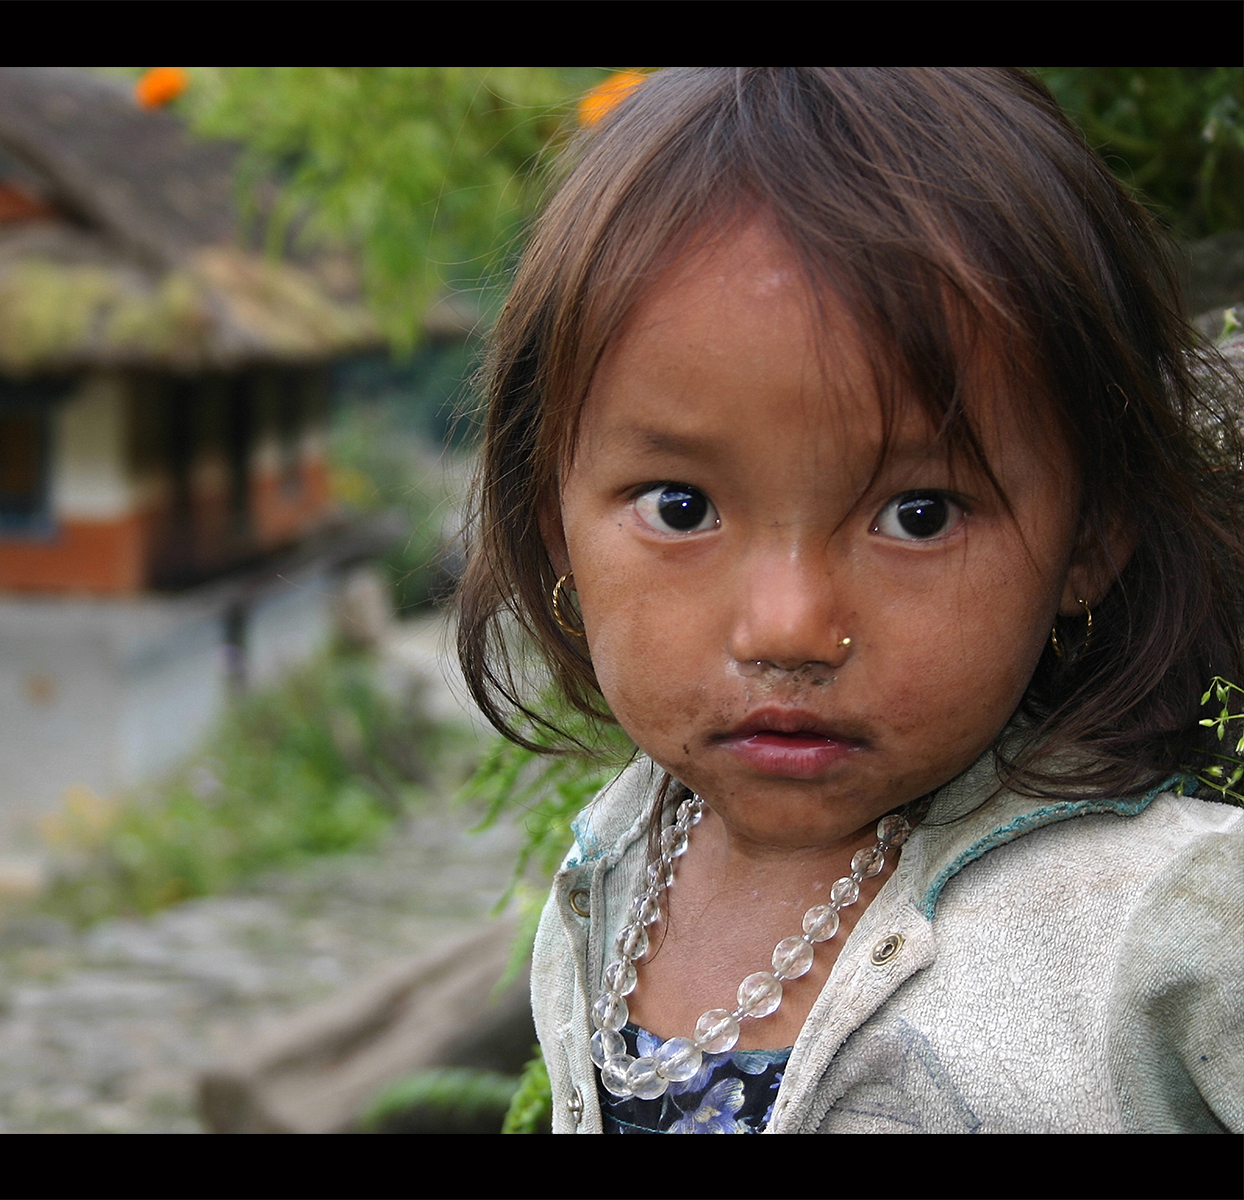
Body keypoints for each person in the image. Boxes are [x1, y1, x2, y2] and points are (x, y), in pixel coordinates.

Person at [455, 68, 1244, 1134]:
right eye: (680, 507)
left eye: (918, 515)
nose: (785, 628)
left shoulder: (1173, 927)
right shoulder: (620, 859)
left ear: (1088, 536)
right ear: (554, 519)